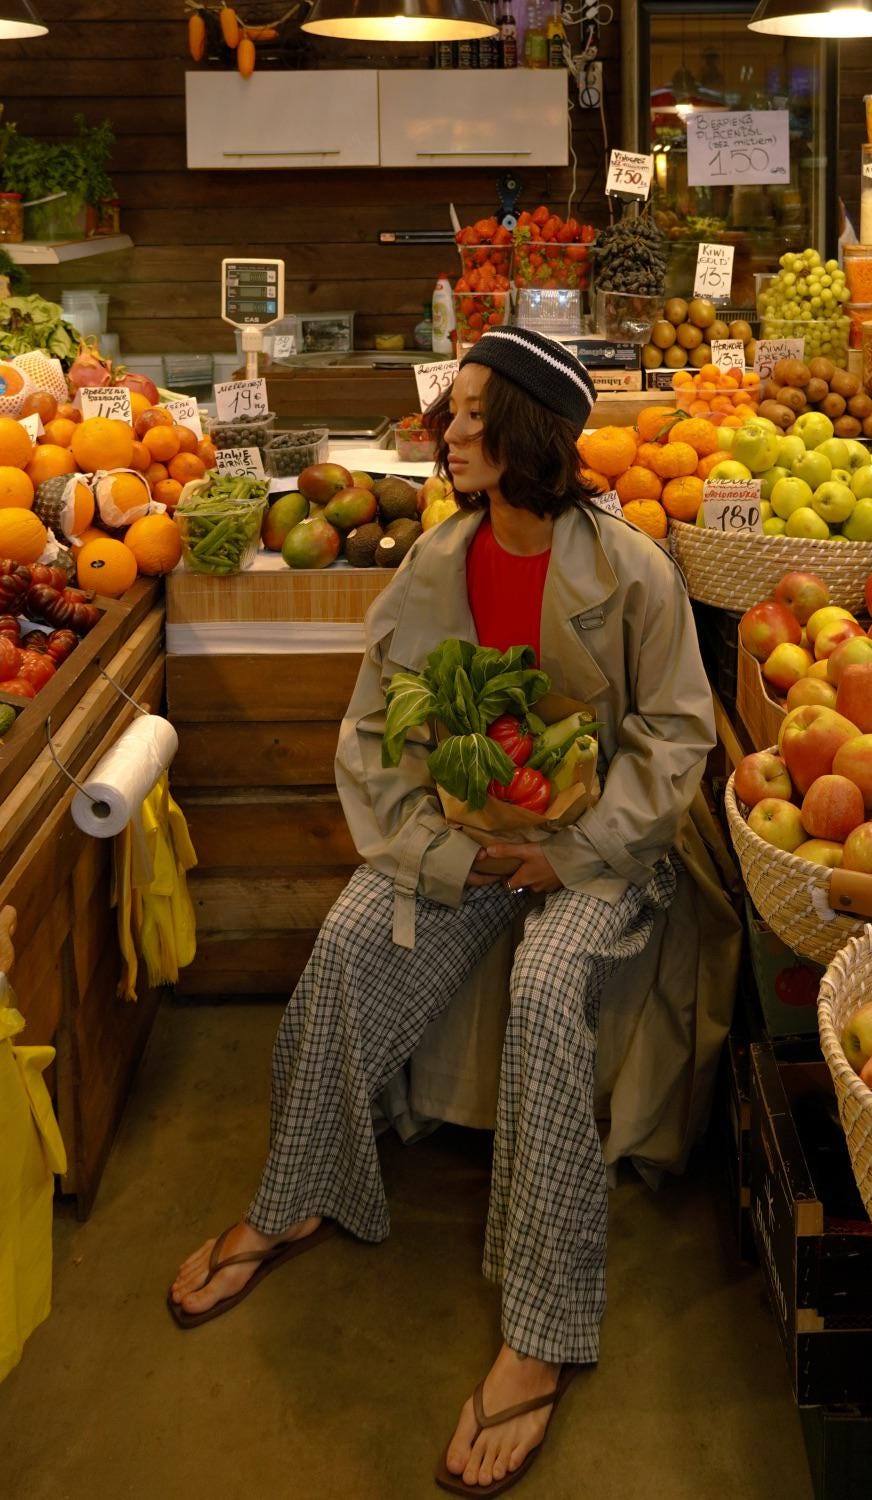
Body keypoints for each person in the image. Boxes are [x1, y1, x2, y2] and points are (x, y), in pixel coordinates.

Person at [169, 327, 715, 1493]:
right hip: (465, 844)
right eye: (449, 413)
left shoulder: (632, 570)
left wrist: (569, 856)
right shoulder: (437, 562)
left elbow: (675, 738)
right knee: (352, 937)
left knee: (549, 981)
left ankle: (544, 1326)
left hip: (597, 855)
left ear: (526, 431)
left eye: (473, 413)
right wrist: (437, 851)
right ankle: (302, 1191)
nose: (448, 432)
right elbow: (373, 732)